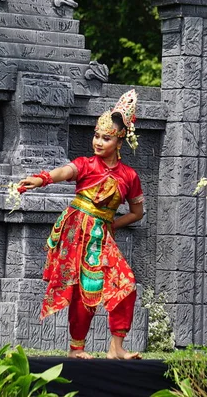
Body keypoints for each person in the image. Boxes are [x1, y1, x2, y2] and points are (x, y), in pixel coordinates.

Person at [19, 90, 144, 359]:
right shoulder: (86, 164)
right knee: (81, 288)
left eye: (106, 138)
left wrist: (112, 225)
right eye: (96, 136)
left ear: (120, 139)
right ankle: (77, 348)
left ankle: (116, 348)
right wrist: (41, 179)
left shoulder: (129, 176)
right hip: (77, 231)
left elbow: (137, 212)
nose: (98, 142)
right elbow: (65, 172)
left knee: (127, 283)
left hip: (101, 236)